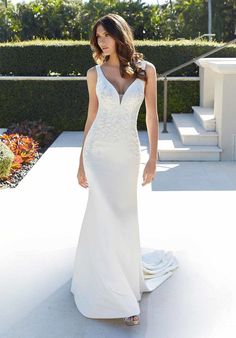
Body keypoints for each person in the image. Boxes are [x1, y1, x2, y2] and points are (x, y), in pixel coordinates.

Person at [70, 13, 179, 326]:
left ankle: (122, 277)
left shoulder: (146, 71)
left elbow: (151, 117)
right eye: (98, 37)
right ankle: (120, 298)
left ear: (120, 35)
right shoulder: (94, 73)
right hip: (98, 152)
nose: (101, 41)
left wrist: (153, 158)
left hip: (127, 155)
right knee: (103, 214)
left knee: (123, 217)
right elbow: (91, 116)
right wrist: (81, 160)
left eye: (106, 35)